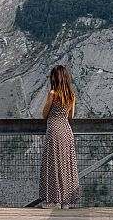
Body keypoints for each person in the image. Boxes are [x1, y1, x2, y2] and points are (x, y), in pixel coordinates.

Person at [39, 65, 80, 209]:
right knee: (66, 165)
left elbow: (44, 115)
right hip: (67, 132)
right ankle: (65, 202)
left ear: (54, 78)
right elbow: (71, 115)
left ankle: (55, 202)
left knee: (54, 164)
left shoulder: (52, 93)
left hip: (54, 130)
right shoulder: (71, 95)